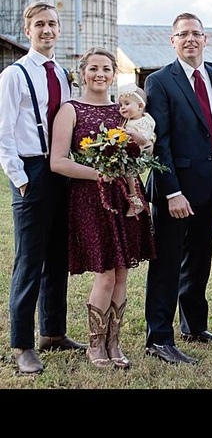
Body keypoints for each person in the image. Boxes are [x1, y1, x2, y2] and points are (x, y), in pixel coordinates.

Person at [50, 47, 156, 369]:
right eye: (94, 68)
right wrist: (98, 173)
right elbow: (58, 162)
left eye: (106, 69)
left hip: (125, 198)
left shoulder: (123, 112)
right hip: (91, 199)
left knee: (122, 274)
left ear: (113, 74)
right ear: (83, 72)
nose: (100, 74)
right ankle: (95, 344)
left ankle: (114, 343)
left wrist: (143, 148)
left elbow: (142, 150)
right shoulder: (70, 110)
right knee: (106, 274)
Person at [0, 1, 85, 375]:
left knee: (58, 256)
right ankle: (22, 344)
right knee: (30, 260)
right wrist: (19, 178)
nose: (47, 30)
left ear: (59, 29)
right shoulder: (14, 75)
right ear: (28, 30)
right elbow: (3, 132)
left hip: (61, 168)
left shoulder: (62, 74)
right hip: (32, 170)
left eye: (52, 23)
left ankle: (53, 332)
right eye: (39, 24)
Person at [143, 12, 212, 365]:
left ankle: (194, 326)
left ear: (205, 39)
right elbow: (160, 142)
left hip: (209, 182)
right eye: (183, 34)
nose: (190, 39)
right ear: (173, 41)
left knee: (199, 260)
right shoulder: (160, 81)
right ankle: (158, 338)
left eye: (196, 33)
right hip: (175, 189)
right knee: (166, 264)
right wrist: (171, 192)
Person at [118, 84, 157, 216]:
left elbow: (144, 140)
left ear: (140, 106)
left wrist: (132, 133)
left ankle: (136, 200)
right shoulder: (127, 121)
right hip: (126, 154)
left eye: (126, 103)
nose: (122, 107)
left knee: (130, 174)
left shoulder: (144, 121)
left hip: (137, 155)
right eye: (121, 104)